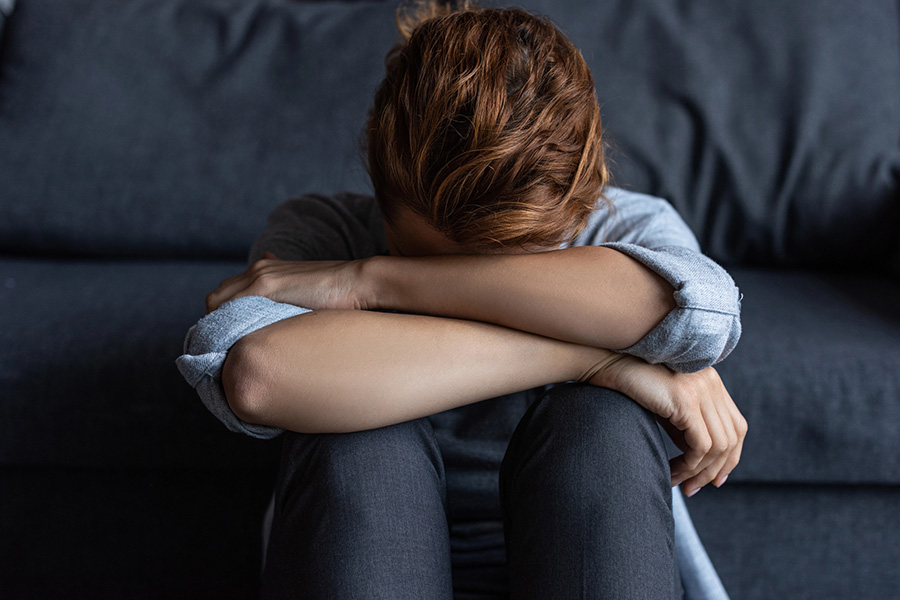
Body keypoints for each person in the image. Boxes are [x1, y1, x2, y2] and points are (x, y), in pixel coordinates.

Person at [176, 1, 747, 598]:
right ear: (376, 176)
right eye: (430, 261)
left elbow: (700, 313)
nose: (456, 284)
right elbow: (257, 377)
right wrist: (595, 360)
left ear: (591, 189)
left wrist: (375, 283)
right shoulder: (326, 230)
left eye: (501, 267)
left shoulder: (624, 230)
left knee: (600, 422)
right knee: (361, 439)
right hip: (371, 563)